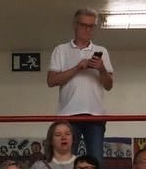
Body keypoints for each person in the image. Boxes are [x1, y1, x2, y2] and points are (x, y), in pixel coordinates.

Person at [47, 8, 114, 157]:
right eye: (84, 25)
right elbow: (51, 81)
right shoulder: (61, 50)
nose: (87, 29)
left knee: (96, 162)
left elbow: (109, 86)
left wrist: (102, 69)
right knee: (65, 161)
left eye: (91, 26)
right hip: (68, 116)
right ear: (75, 25)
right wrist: (78, 68)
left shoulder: (101, 50)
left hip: (96, 115)